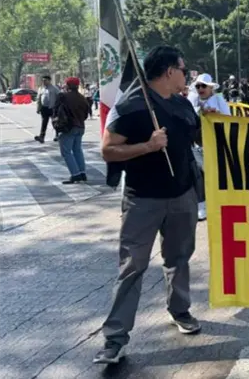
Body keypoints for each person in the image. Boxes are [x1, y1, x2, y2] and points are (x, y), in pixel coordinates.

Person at [94, 46, 201, 364]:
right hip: (142, 200)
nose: (187, 74)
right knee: (132, 267)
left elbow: (198, 138)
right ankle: (114, 337)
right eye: (184, 68)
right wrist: (148, 146)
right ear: (169, 71)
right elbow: (108, 150)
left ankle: (180, 311)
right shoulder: (131, 106)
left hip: (183, 195)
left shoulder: (183, 106)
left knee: (179, 258)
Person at [187, 73, 230, 221]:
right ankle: (202, 205)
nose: (200, 89)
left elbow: (228, 118)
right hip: (196, 143)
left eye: (203, 86)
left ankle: (219, 203)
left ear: (210, 87)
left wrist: (216, 114)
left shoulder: (218, 99)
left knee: (215, 175)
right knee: (199, 174)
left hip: (215, 144)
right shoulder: (192, 99)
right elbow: (189, 116)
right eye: (198, 86)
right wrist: (201, 112)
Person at [56, 77, 90, 184]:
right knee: (77, 150)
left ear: (67, 86)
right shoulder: (82, 98)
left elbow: (57, 111)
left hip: (68, 127)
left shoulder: (63, 97)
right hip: (80, 127)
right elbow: (85, 114)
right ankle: (82, 172)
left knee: (66, 152)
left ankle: (75, 174)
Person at [34, 75, 61, 143]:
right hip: (44, 108)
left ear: (49, 81)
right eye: (43, 80)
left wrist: (58, 107)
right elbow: (38, 99)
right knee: (44, 123)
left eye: (45, 80)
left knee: (54, 122)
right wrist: (38, 108)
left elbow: (60, 97)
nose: (44, 82)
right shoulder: (41, 89)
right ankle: (41, 137)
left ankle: (57, 135)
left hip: (52, 108)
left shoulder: (54, 88)